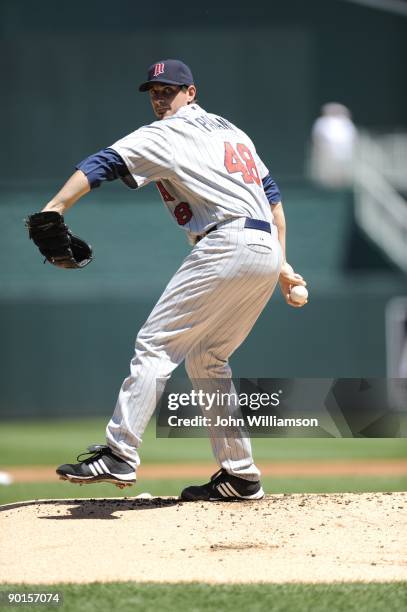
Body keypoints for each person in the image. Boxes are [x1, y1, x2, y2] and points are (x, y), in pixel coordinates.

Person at [42, 59, 307, 501]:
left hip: (225, 241)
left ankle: (120, 450)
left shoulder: (169, 132)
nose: (161, 97)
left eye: (169, 89)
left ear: (191, 92)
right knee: (207, 358)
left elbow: (104, 162)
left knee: (156, 343)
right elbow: (271, 201)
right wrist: (281, 265)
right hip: (260, 246)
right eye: (154, 90)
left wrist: (55, 207)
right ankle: (241, 475)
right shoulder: (233, 133)